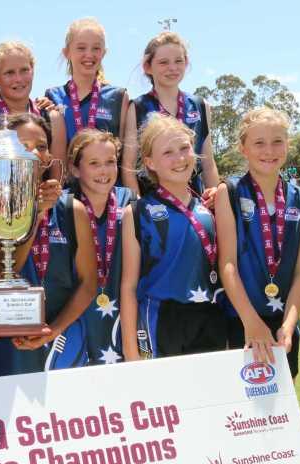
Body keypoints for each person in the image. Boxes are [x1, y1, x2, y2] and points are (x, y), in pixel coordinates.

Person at [0, 113, 97, 377]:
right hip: (9, 339)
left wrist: (53, 330)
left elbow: (89, 283)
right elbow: (3, 272)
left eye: (42, 146)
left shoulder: (71, 209)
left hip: (61, 337)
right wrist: (36, 215)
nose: (34, 153)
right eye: (23, 145)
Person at [215, 108, 300, 377]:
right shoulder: (231, 192)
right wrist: (252, 322)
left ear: (287, 145)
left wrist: (289, 325)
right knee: (242, 410)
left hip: (284, 323)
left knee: (283, 404)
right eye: (259, 143)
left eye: (277, 141)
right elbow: (228, 264)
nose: (269, 150)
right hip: (241, 319)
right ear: (243, 148)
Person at [121, 114, 226, 360]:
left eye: (184, 148)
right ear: (150, 162)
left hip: (210, 317)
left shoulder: (211, 207)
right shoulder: (137, 212)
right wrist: (130, 349)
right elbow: (128, 286)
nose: (179, 158)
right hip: (160, 320)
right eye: (167, 152)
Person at [122, 32, 219, 199]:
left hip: (194, 202)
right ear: (148, 67)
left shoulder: (200, 105)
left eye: (178, 61)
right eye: (163, 62)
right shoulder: (137, 107)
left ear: (186, 62)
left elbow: (208, 163)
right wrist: (137, 208)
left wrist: (217, 198)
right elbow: (128, 166)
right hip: (153, 203)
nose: (172, 68)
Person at [67, 129, 134, 364]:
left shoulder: (131, 201)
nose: (104, 171)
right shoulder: (63, 206)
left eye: (110, 162)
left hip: (121, 313)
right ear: (75, 169)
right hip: (77, 316)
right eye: (94, 163)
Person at [0, 41, 66, 166]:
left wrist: (52, 186)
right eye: (9, 72)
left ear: (32, 71)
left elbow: (57, 174)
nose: (18, 79)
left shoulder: (53, 118)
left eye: (24, 70)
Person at [44, 18, 128, 145]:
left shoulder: (118, 96)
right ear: (66, 52)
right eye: (81, 48)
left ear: (104, 53)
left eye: (96, 48)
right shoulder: (53, 96)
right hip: (65, 165)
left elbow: (124, 150)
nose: (89, 54)